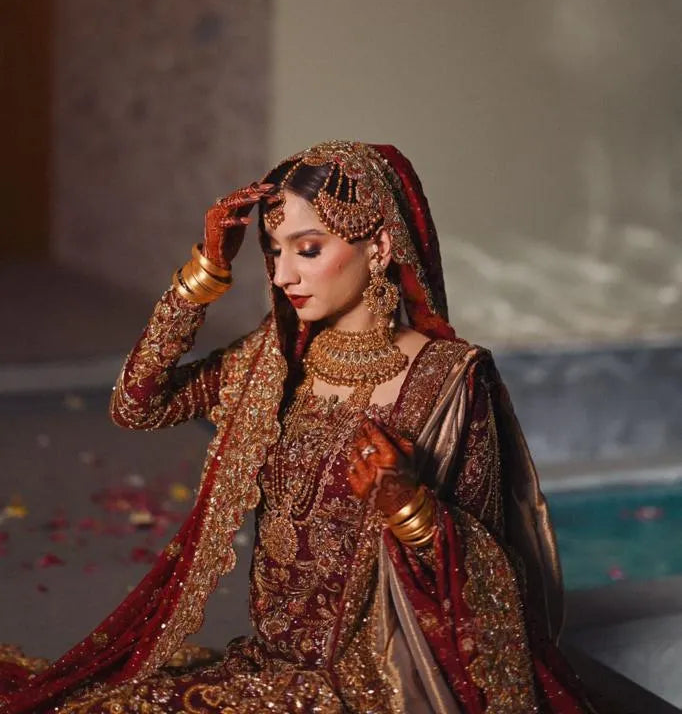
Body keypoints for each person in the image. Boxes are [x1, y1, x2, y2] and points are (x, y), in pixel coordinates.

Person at [0, 141, 599, 713]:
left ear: (381, 246)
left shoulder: (449, 379)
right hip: (268, 665)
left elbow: (493, 577)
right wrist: (204, 273)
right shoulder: (275, 360)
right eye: (273, 249)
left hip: (376, 682)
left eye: (307, 249)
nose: (284, 274)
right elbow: (138, 403)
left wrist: (409, 507)